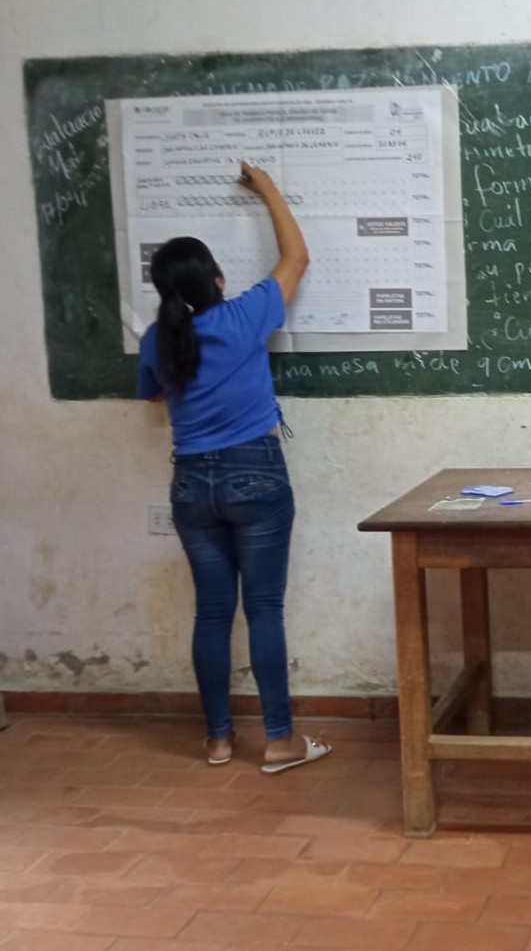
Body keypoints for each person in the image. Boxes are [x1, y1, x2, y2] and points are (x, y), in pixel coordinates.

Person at [137, 162, 331, 775]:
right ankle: (279, 741)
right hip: (257, 475)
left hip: (191, 485)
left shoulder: (156, 339)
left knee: (212, 613)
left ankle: (218, 740)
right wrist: (267, 187)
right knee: (264, 610)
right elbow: (296, 257)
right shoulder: (244, 316)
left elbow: (154, 396)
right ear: (218, 278)